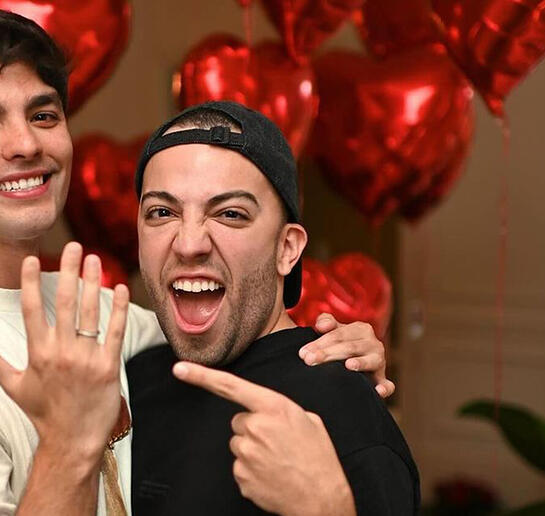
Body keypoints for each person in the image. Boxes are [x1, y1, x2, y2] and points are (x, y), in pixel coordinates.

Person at [0, 7, 395, 515]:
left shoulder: (97, 315)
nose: (24, 144)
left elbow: (224, 328)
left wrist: (331, 352)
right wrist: (71, 443)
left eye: (44, 115)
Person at [127, 101, 420, 516]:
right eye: (162, 212)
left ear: (287, 249)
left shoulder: (338, 406)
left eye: (230, 214)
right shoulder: (130, 380)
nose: (189, 242)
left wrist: (324, 508)